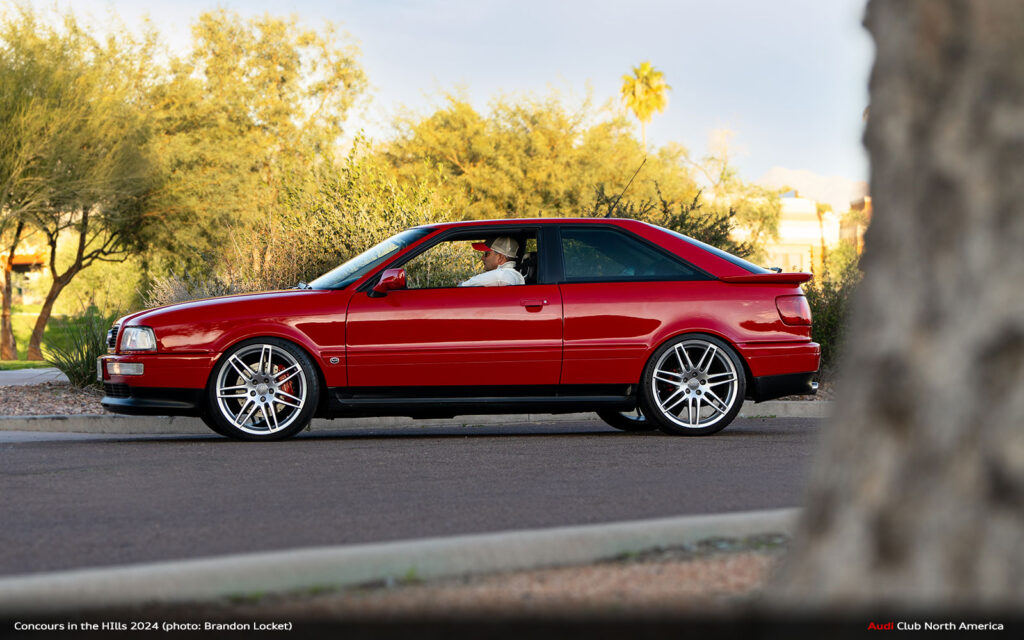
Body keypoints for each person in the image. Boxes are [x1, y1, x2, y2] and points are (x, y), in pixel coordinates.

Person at [458, 236, 526, 287]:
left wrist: (462, 284)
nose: (482, 258)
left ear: (500, 258)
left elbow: (463, 286)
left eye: (487, 254)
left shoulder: (504, 275)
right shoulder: (514, 275)